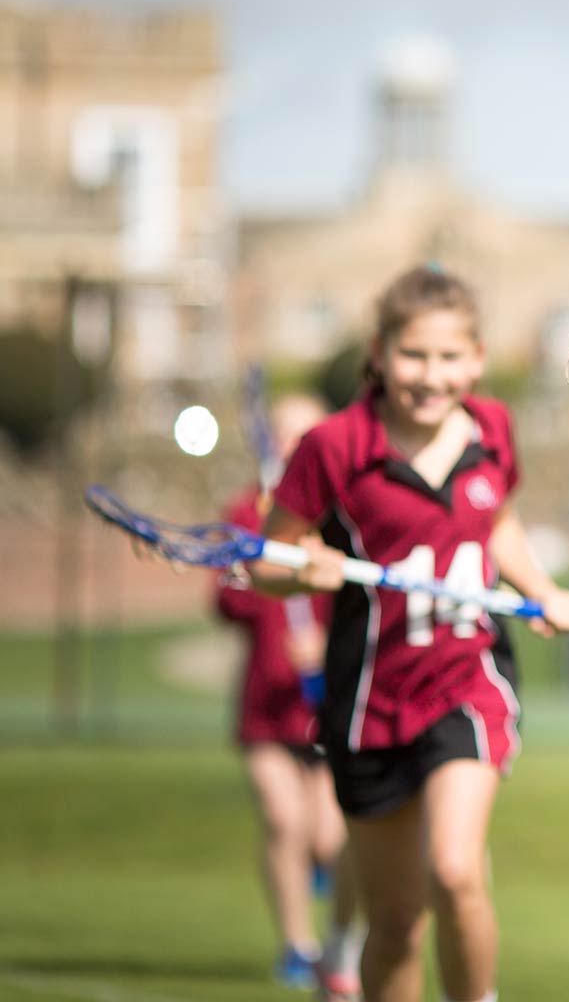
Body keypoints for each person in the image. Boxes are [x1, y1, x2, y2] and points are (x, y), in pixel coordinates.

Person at [251, 266, 569, 1002]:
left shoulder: (494, 428)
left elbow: (494, 517)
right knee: (397, 921)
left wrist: (541, 590)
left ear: (476, 358)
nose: (430, 376)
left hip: (467, 682)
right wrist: (304, 570)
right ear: (378, 354)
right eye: (413, 356)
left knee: (457, 872)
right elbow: (267, 566)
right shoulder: (332, 447)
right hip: (369, 702)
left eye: (448, 358)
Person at [216, 391, 363, 995]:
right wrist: (272, 581)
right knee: (283, 819)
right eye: (282, 434)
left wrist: (322, 636)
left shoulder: (345, 514)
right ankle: (295, 945)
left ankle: (336, 945)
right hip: (269, 701)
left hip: (329, 699)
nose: (291, 445)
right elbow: (227, 602)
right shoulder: (250, 514)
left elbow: (362, 599)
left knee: (330, 836)